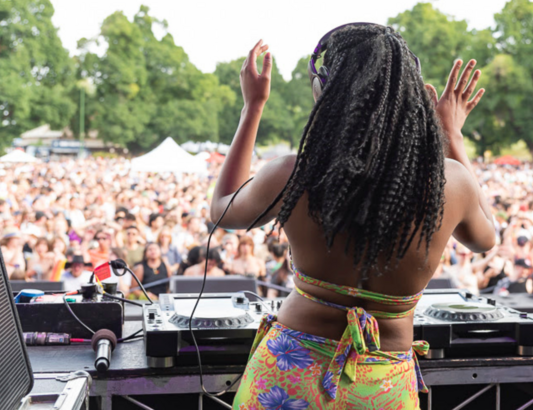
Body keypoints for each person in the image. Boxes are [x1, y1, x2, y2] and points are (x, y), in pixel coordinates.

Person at [211, 27, 495, 409]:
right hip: (383, 386)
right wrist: (451, 137)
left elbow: (222, 211)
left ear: (323, 93)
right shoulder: (452, 183)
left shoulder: (293, 174)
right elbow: (485, 239)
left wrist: (253, 108)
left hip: (286, 372)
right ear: (414, 99)